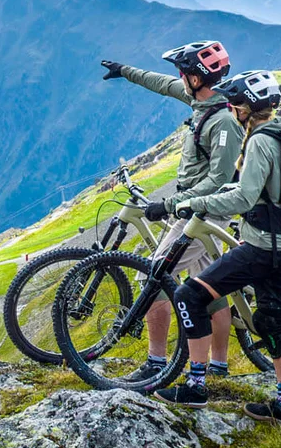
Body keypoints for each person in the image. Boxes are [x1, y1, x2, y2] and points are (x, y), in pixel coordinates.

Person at [155, 69, 281, 427]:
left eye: (236, 102)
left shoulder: (258, 140)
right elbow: (260, 190)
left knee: (188, 296)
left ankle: (196, 386)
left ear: (246, 106)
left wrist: (196, 204)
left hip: (261, 248)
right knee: (272, 320)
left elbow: (244, 196)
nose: (232, 108)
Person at [98, 41, 244, 382]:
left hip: (203, 214)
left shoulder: (224, 122)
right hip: (193, 211)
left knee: (154, 278)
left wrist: (171, 205)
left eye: (185, 71)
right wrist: (124, 71)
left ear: (199, 76)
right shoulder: (199, 99)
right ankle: (218, 367)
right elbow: (160, 83)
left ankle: (156, 362)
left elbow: (220, 181)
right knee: (209, 286)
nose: (179, 76)